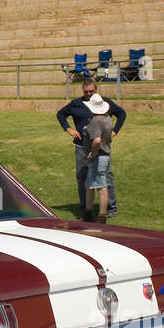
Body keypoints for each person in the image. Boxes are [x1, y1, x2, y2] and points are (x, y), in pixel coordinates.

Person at [57, 77, 126, 219]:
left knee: (106, 177)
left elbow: (122, 114)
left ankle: (110, 208)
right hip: (81, 147)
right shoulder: (76, 103)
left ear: (96, 90)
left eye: (91, 91)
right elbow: (60, 114)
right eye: (86, 92)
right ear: (83, 90)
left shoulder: (104, 103)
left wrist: (115, 131)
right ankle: (85, 209)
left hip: (101, 149)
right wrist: (68, 129)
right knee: (82, 178)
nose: (88, 94)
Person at [83, 93, 114, 222]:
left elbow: (96, 140)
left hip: (98, 156)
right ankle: (88, 213)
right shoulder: (107, 118)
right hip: (105, 155)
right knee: (90, 185)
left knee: (101, 187)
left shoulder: (96, 120)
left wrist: (92, 153)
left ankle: (102, 216)